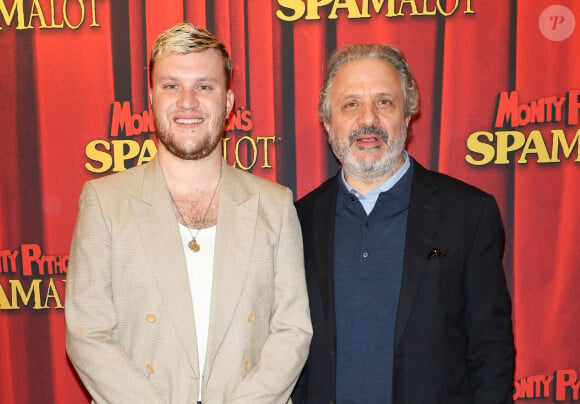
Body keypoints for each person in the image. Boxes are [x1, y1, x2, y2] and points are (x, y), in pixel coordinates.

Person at [65, 22, 312, 404]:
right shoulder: (104, 202)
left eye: (204, 85)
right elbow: (88, 333)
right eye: (171, 85)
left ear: (228, 102)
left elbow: (293, 330)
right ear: (151, 98)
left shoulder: (275, 206)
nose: (187, 102)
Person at [292, 43, 515, 403]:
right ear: (328, 122)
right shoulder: (298, 221)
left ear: (408, 116)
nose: (368, 120)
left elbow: (491, 352)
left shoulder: (469, 214)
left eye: (384, 102)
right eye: (351, 104)